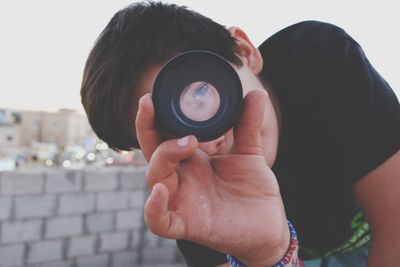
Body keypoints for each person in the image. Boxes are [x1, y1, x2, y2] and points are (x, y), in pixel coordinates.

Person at [80, 2, 400, 266]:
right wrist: (268, 255)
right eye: (170, 133)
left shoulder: (317, 64)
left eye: (200, 96)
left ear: (243, 51)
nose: (207, 142)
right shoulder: (194, 197)